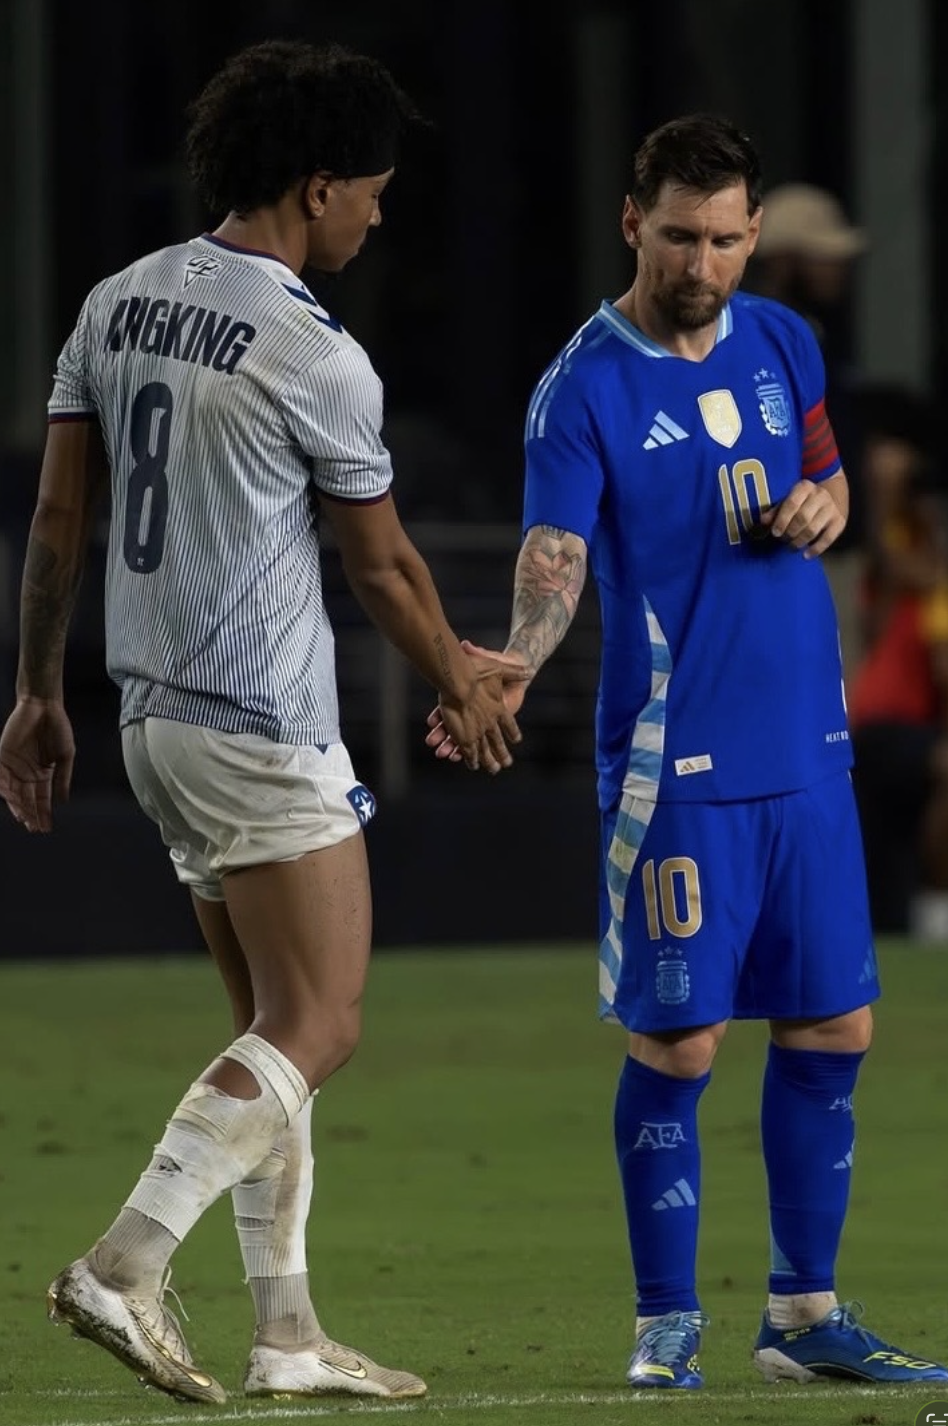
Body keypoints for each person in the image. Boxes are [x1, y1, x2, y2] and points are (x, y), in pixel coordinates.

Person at [0, 39, 521, 1406]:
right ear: (319, 183)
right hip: (259, 723)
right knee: (323, 1019)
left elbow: (59, 520)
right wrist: (465, 682)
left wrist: (38, 689)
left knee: (267, 1036)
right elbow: (386, 564)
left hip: (150, 721)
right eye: (374, 189)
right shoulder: (310, 349)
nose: (380, 213)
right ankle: (125, 1256)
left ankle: (286, 1334)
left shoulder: (114, 302)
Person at [428, 113, 948, 1391]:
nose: (702, 264)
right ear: (631, 223)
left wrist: (828, 505)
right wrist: (513, 660)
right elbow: (556, 559)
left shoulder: (784, 339)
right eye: (678, 237)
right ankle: (668, 1321)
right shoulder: (585, 387)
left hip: (808, 753)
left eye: (724, 239)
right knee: (682, 1044)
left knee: (835, 1025)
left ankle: (804, 1315)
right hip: (680, 769)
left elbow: (822, 473)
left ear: (755, 233)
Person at [846, 385, 948, 935]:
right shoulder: (891, 562)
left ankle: (933, 912)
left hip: (912, 727)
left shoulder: (929, 560)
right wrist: (882, 497)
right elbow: (886, 586)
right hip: (875, 727)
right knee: (873, 848)